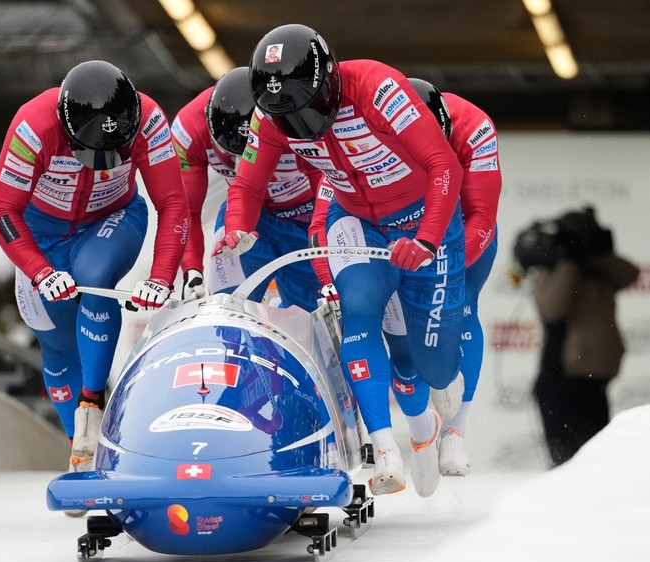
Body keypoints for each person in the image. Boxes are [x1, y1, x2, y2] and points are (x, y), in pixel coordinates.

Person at [213, 24, 466, 496]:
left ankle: (429, 417)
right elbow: (246, 185)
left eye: (305, 111)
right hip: (356, 220)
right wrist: (238, 229)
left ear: (329, 82)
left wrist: (429, 239)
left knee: (435, 368)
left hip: (423, 223)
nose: (298, 125)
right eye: (285, 116)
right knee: (359, 311)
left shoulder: (378, 88)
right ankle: (384, 446)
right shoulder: (271, 118)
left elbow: (443, 167)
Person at [0, 60, 189, 476]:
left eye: (113, 153)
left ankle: (93, 401)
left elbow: (173, 203)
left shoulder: (150, 120)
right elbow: (3, 212)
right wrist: (40, 271)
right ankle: (81, 448)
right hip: (41, 239)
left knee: (94, 279)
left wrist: (161, 276)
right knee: (57, 347)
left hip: (111, 221)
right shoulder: (32, 126)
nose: (100, 162)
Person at [383, 79, 502, 490]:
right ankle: (421, 430)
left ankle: (456, 431)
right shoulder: (378, 126)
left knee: (461, 304)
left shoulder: (475, 127)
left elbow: (483, 216)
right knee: (402, 336)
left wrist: (443, 265)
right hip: (402, 231)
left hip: (461, 234)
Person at [171, 66, 324, 309]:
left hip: (305, 217)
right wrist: (192, 268)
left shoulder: (296, 119)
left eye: (254, 154)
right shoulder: (189, 129)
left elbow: (327, 187)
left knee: (311, 318)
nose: (243, 165)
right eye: (232, 155)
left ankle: (277, 308)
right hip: (243, 220)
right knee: (227, 309)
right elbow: (186, 210)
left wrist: (324, 242)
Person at [514, 207, 638, 467]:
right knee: (566, 463)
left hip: (591, 382)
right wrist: (569, 259)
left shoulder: (598, 269)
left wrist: (594, 252)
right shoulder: (552, 270)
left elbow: (631, 274)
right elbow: (554, 309)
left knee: (596, 460)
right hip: (561, 381)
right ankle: (565, 505)